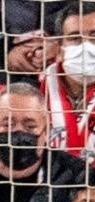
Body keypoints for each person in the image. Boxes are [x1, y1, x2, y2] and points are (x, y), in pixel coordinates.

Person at [41, 3, 95, 161]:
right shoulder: (34, 89)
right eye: (75, 38)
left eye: (94, 36)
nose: (86, 47)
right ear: (59, 49)